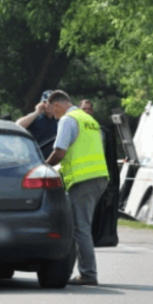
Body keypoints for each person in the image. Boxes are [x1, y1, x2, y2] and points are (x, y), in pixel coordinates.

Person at [45, 90, 109, 286]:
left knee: (80, 228)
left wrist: (44, 167)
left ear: (56, 105)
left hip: (83, 179)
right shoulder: (89, 120)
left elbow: (60, 151)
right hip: (98, 177)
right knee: (78, 227)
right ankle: (71, 271)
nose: (54, 116)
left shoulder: (68, 120)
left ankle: (88, 274)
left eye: (52, 112)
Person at [15, 90, 58, 158]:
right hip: (34, 158)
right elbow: (18, 125)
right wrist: (37, 112)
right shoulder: (35, 117)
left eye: (50, 103)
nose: (47, 105)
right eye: (44, 102)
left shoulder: (59, 120)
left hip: (51, 160)